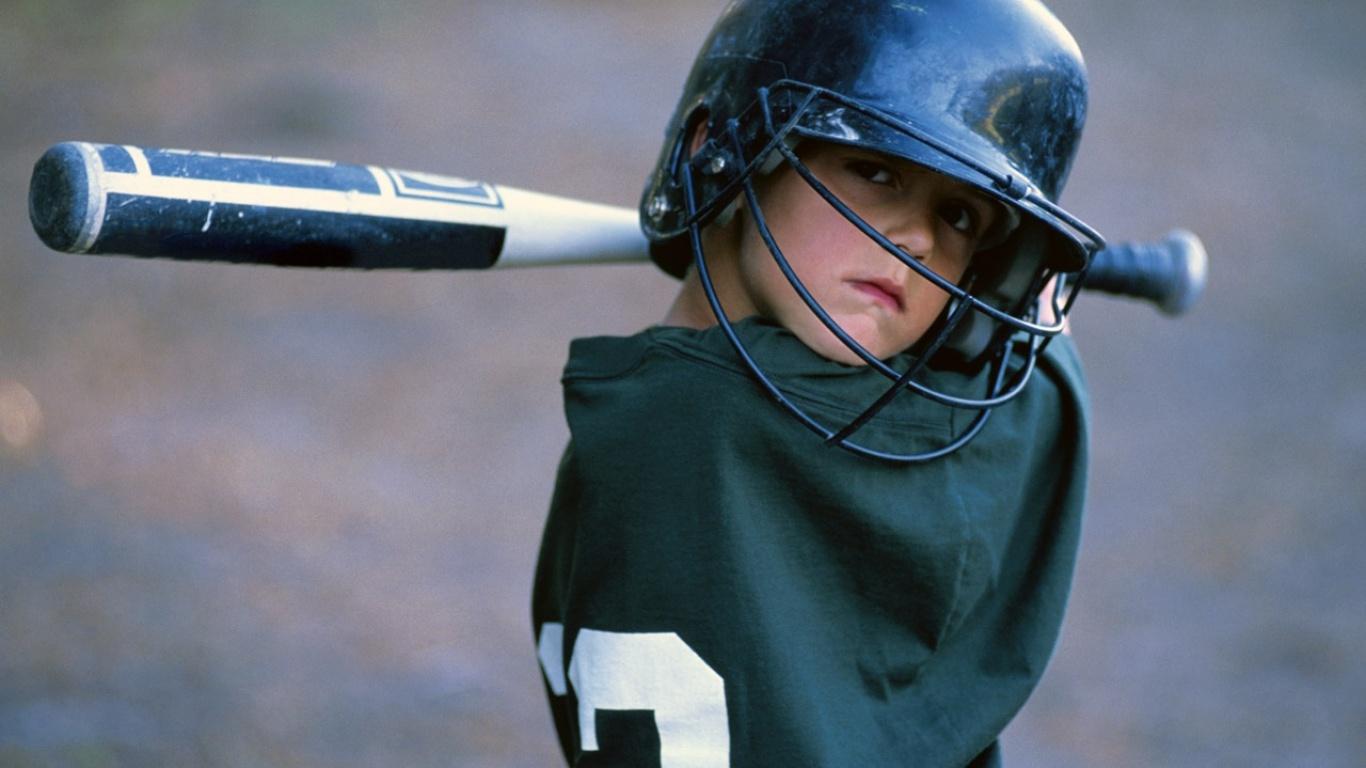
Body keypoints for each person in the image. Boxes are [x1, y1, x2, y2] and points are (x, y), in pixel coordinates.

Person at [532, 0, 1102, 764]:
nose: (918, 238)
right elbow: (1032, 391)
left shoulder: (647, 412)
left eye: (962, 217)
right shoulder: (697, 430)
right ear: (721, 150)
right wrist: (1037, 318)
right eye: (876, 170)